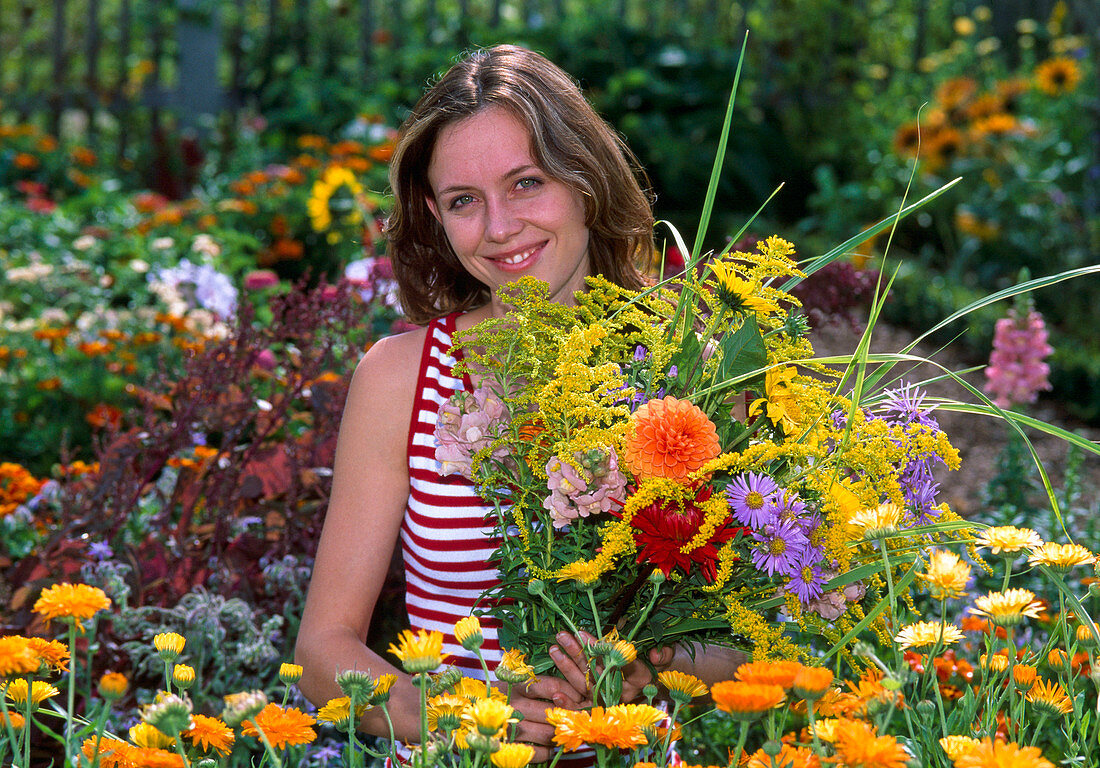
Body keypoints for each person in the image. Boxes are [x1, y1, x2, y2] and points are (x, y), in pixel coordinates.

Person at [295, 44, 742, 760]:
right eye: (464, 201)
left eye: (527, 183)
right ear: (435, 216)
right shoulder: (400, 379)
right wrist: (467, 717)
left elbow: (747, 644)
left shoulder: (690, 370)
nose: (499, 228)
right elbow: (323, 651)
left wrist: (643, 674)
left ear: (587, 181)